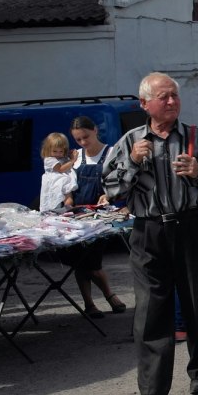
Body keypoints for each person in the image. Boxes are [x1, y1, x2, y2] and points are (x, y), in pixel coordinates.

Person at [102, 72, 198, 395]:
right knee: (150, 311)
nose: (172, 101)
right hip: (148, 232)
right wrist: (132, 162)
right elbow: (112, 191)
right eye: (164, 97)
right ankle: (153, 390)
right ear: (145, 104)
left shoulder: (195, 137)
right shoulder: (129, 142)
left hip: (190, 228)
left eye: (175, 95)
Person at [61, 116, 126, 318]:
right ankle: (90, 304)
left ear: (95, 130)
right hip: (78, 216)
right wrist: (68, 199)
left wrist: (110, 194)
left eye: (85, 137)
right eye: (78, 139)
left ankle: (109, 296)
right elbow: (65, 184)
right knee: (80, 260)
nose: (82, 143)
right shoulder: (75, 156)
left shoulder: (111, 153)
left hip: (100, 216)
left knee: (93, 261)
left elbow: (122, 181)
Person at [39, 132, 78, 212]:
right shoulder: (49, 160)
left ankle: (68, 209)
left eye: (61, 151)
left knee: (69, 197)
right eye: (55, 151)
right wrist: (72, 160)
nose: (58, 154)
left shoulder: (63, 158)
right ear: (48, 149)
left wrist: (70, 156)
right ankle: (52, 212)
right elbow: (60, 169)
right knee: (54, 199)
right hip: (55, 183)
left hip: (65, 181)